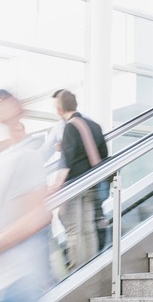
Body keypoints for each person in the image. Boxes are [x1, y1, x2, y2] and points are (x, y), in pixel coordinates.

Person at [0, 90, 58, 301]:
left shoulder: (28, 158)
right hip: (3, 273)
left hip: (23, 274)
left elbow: (39, 215)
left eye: (4, 104)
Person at [56, 89, 110, 266]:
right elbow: (104, 154)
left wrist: (56, 187)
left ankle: (78, 272)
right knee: (88, 229)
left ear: (59, 109)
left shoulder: (70, 127)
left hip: (75, 186)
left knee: (74, 231)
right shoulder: (94, 125)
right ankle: (90, 271)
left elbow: (67, 161)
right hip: (92, 184)